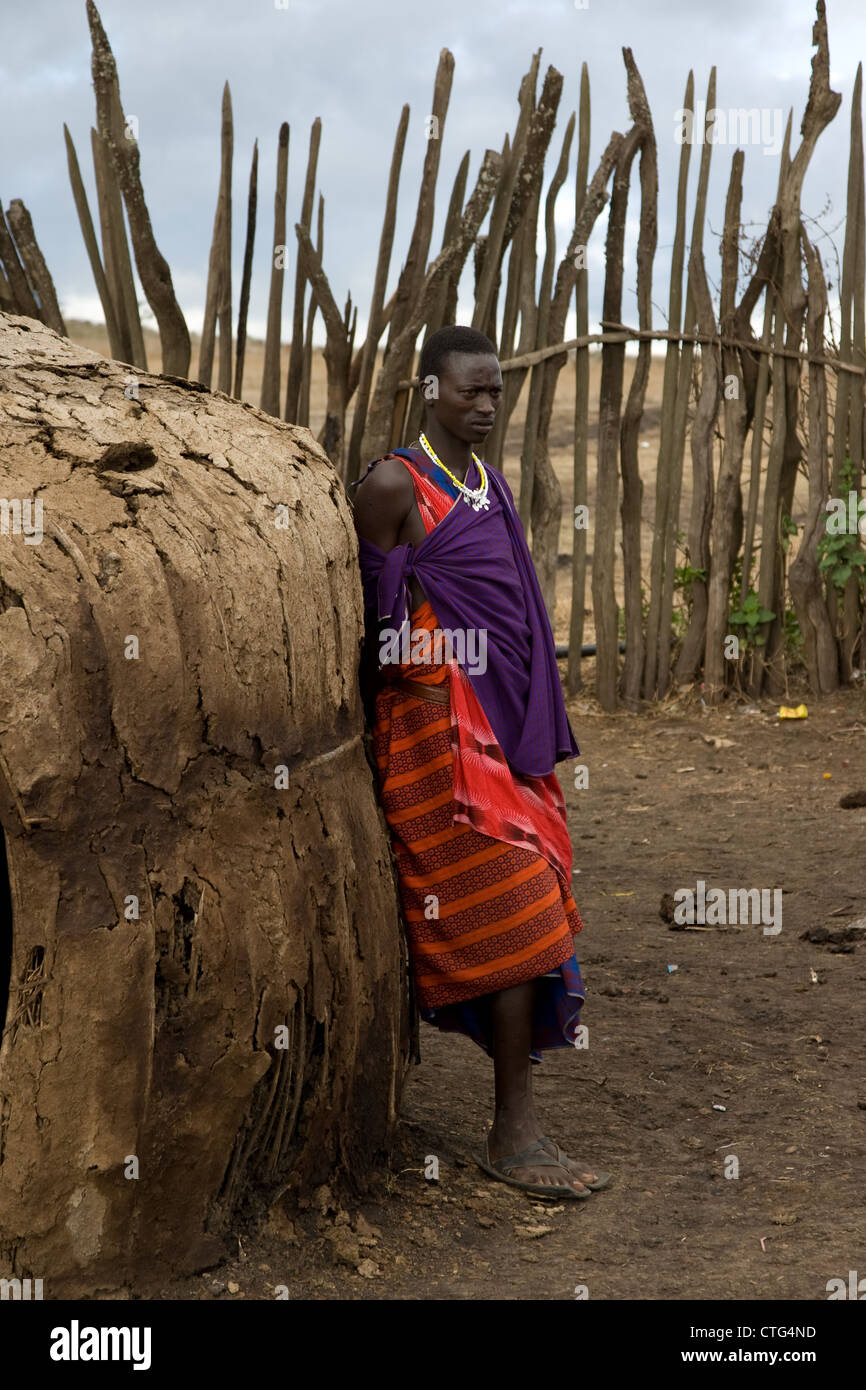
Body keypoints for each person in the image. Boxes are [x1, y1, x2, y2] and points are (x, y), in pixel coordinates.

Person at [349, 324, 610, 1197]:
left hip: (502, 735)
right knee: (518, 914)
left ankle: (517, 1129)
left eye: (496, 391)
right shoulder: (394, 485)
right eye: (470, 391)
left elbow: (518, 614)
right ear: (431, 391)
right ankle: (513, 1133)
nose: (487, 405)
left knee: (533, 915)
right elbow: (374, 633)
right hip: (435, 745)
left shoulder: (489, 486)